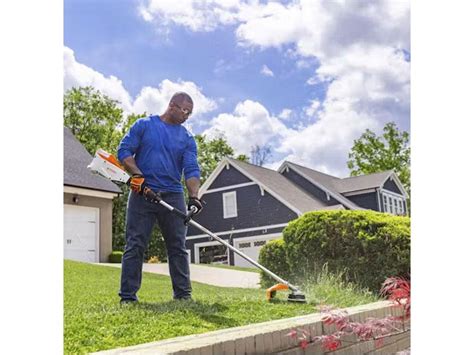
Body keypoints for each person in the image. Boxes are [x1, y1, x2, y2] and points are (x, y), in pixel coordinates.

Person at [117, 92, 203, 304]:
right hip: (142, 193)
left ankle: (183, 295)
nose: (187, 116)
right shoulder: (144, 125)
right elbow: (124, 151)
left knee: (177, 246)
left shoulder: (187, 138)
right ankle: (128, 297)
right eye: (184, 110)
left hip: (173, 195)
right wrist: (138, 177)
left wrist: (194, 197)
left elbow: (191, 168)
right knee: (135, 244)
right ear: (172, 105)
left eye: (190, 113)